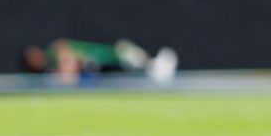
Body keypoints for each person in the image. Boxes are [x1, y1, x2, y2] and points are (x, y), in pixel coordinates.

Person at [21, 38, 177, 86]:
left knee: (123, 51)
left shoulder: (52, 51)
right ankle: (152, 68)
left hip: (95, 60)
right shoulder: (46, 74)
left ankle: (153, 65)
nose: (36, 59)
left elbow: (64, 50)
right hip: (91, 76)